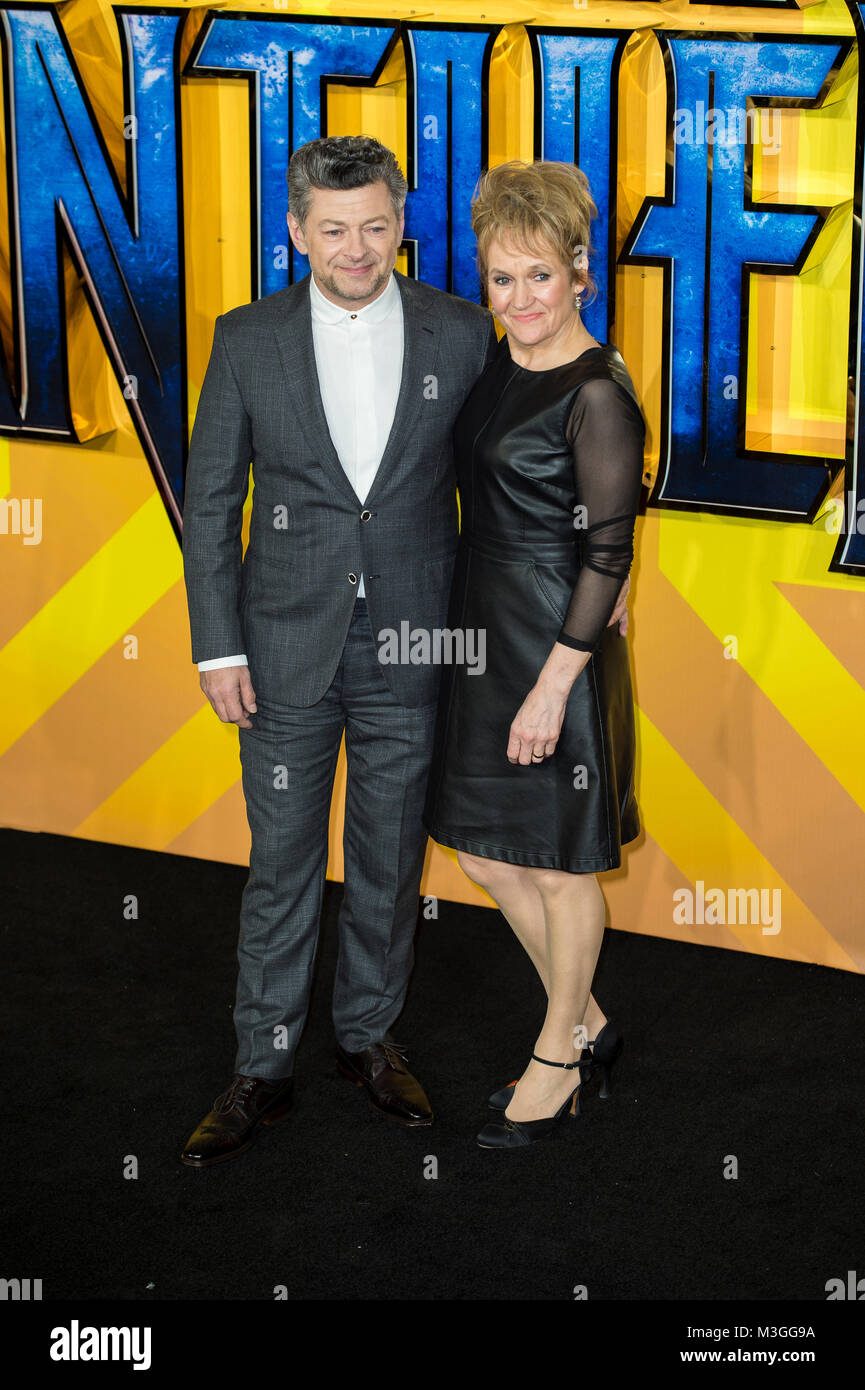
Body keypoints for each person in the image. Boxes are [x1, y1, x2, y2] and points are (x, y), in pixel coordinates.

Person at [179, 134, 505, 1164]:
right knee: (279, 862)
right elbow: (210, 507)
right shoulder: (244, 339)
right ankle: (262, 1065)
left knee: (387, 856)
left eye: (374, 225)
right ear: (294, 230)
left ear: (400, 223)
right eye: (332, 229)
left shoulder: (462, 332)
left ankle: (366, 1036)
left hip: (414, 638)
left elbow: (505, 485)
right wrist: (215, 648)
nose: (355, 248)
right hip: (279, 648)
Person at [422, 159, 646, 1151]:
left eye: (539, 277)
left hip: (556, 644)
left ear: (579, 271)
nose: (519, 300)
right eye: (501, 278)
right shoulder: (504, 361)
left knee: (559, 866)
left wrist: (555, 686)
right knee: (480, 847)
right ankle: (587, 1015)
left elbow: (607, 547)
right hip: (484, 629)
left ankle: (558, 1055)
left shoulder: (598, 394)